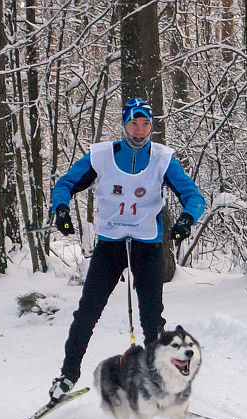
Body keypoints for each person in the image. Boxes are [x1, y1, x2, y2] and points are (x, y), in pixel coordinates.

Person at [48, 98, 206, 400]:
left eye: (146, 123)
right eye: (134, 123)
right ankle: (67, 377)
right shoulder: (104, 155)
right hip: (111, 245)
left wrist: (187, 219)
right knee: (87, 313)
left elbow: (193, 195)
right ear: (124, 124)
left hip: (147, 247)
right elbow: (65, 184)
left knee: (152, 320)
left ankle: (158, 381)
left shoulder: (162, 158)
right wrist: (62, 210)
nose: (140, 130)